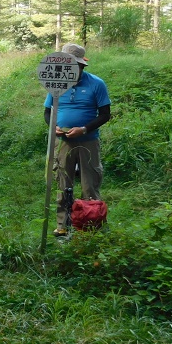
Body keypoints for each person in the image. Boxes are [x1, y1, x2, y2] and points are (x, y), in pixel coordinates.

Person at [43, 43, 111, 237]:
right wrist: (52, 126)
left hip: (88, 141)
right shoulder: (56, 84)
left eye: (74, 66)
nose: (70, 70)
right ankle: (62, 224)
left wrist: (84, 129)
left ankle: (89, 226)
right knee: (63, 181)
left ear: (82, 66)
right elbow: (48, 112)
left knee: (90, 183)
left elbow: (105, 114)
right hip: (63, 141)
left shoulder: (96, 84)